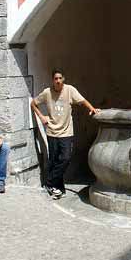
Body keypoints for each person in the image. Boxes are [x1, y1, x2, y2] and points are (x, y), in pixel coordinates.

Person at [30, 69, 100, 199]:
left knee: (65, 158)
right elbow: (33, 103)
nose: (58, 81)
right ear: (53, 80)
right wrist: (41, 117)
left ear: (63, 79)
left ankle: (49, 182)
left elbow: (82, 100)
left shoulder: (70, 90)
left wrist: (92, 109)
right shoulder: (47, 92)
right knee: (54, 160)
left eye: (60, 78)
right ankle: (58, 188)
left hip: (66, 132)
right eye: (55, 79)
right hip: (52, 132)